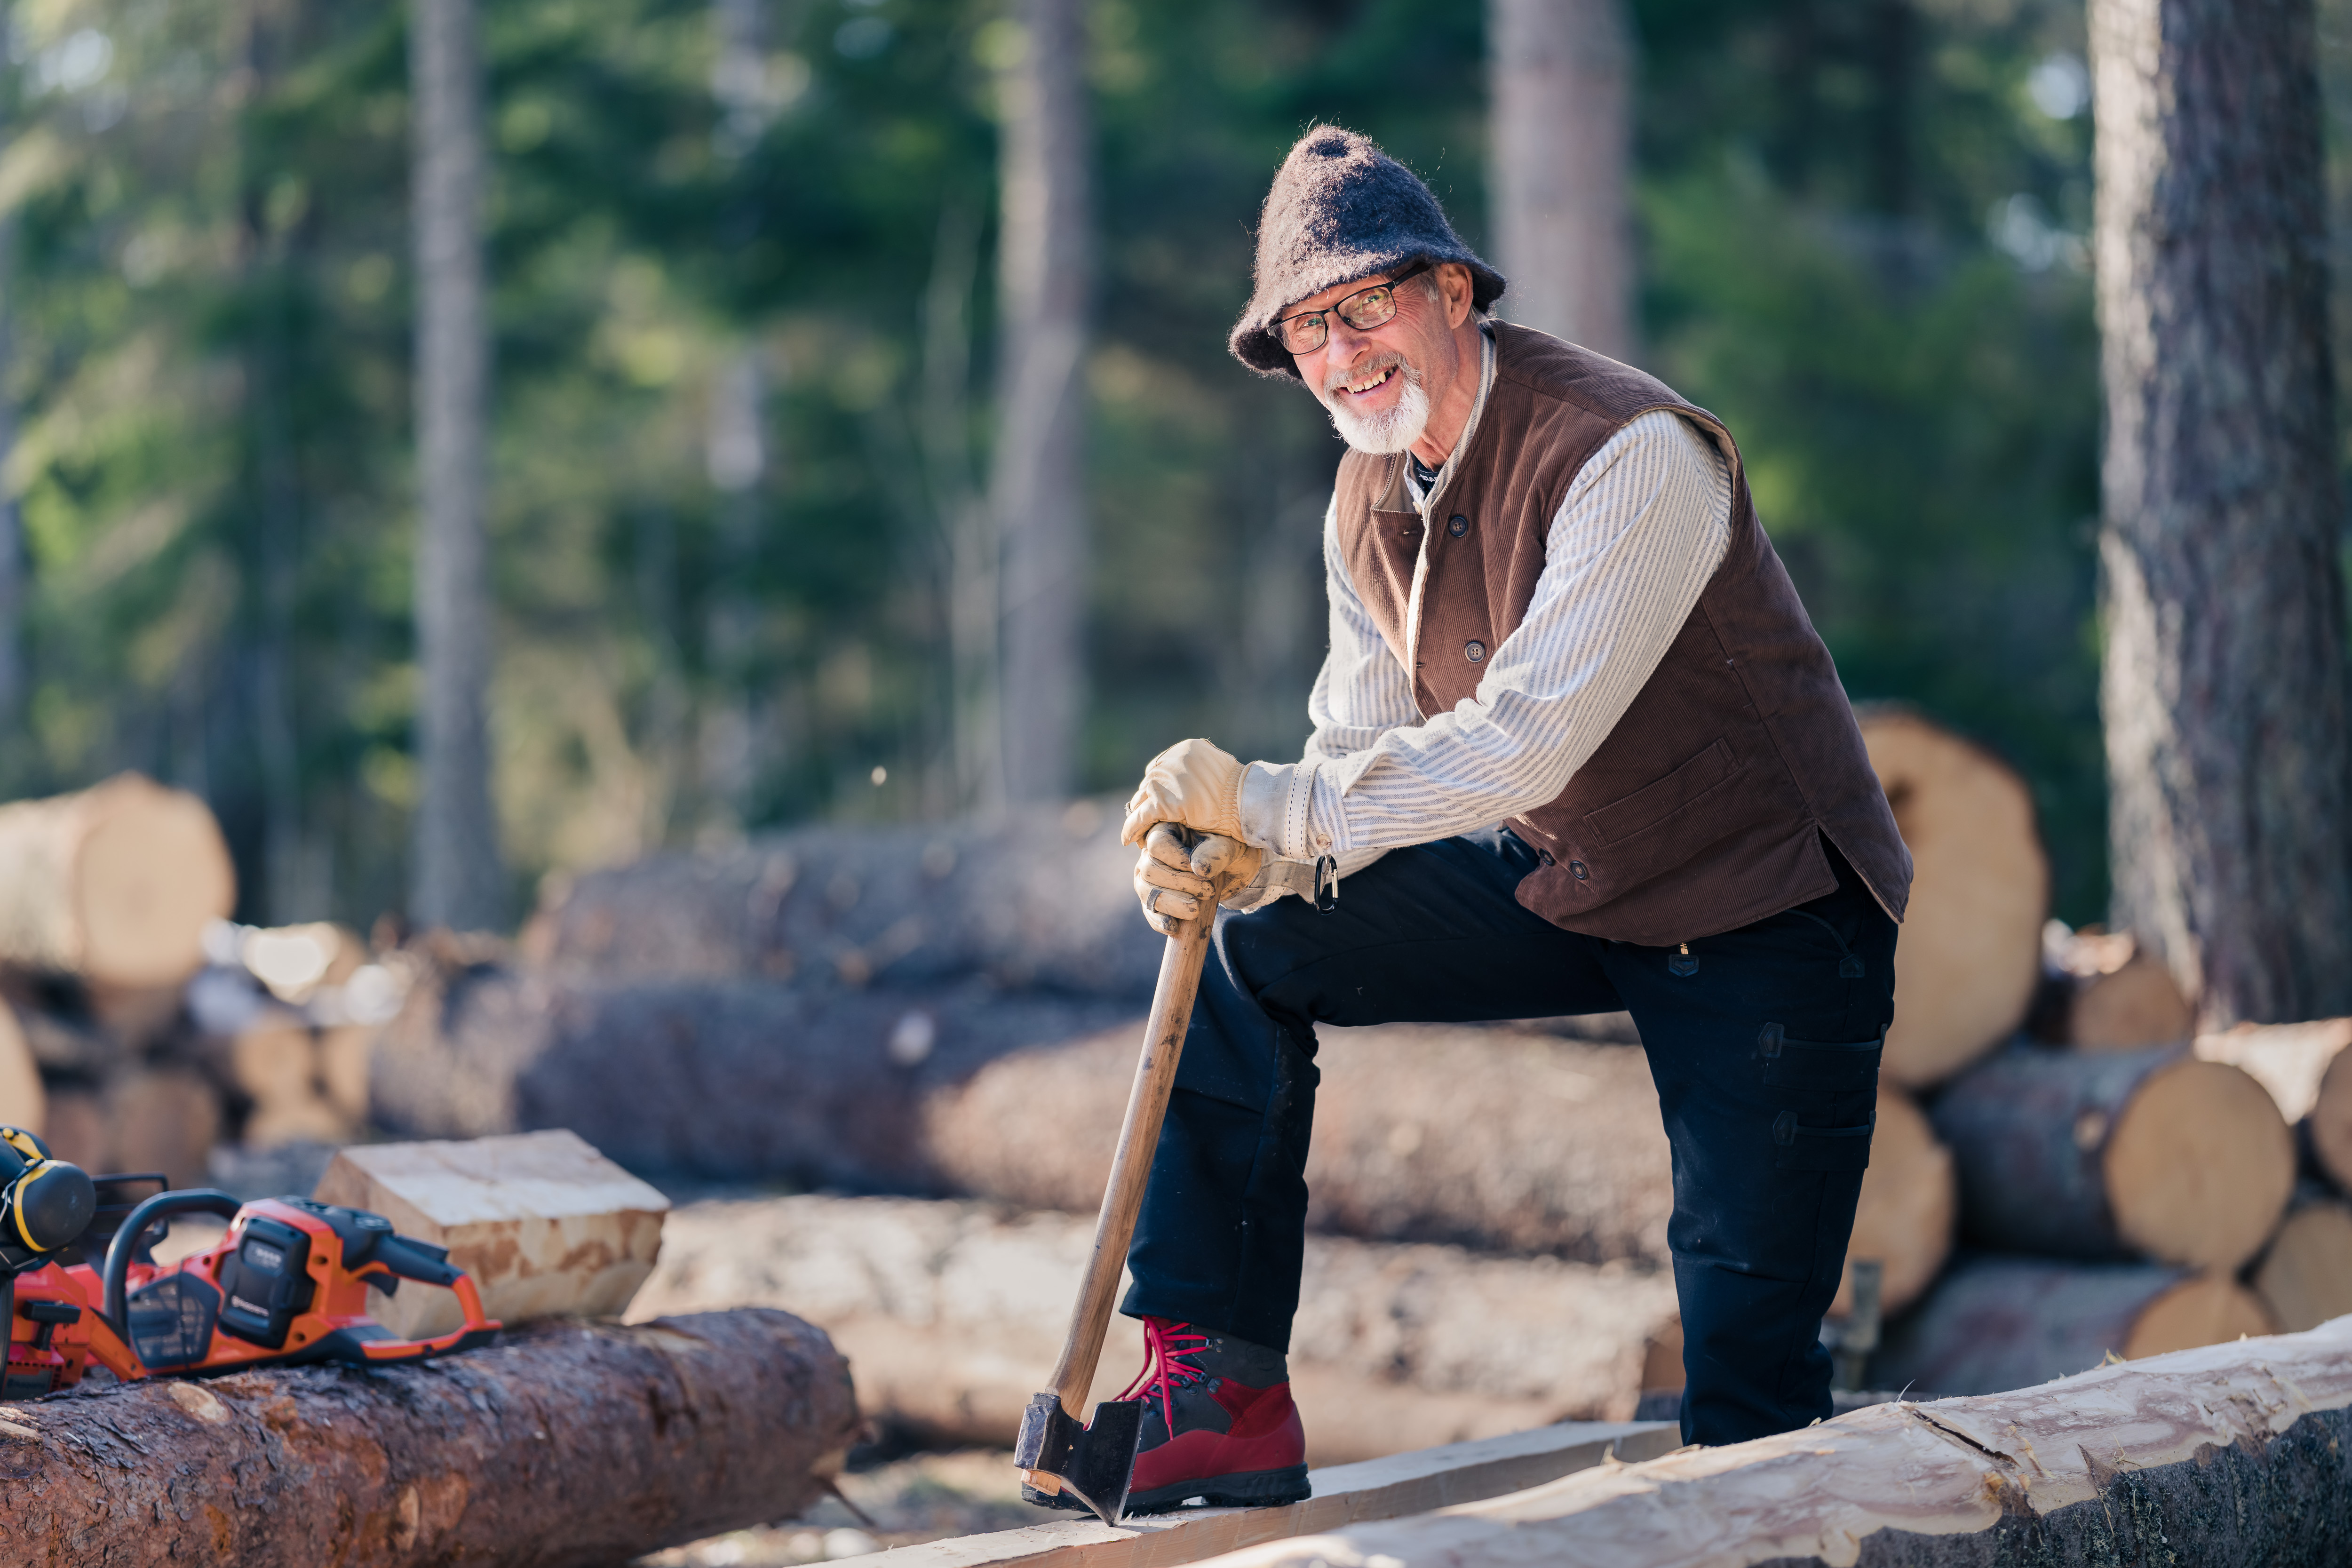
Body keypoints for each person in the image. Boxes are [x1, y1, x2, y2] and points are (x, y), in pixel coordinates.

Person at [1041, 125, 1912, 1517]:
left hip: (1766, 906)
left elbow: (1524, 739)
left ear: (1454, 292)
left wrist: (1276, 802)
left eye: (1363, 305)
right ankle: (1221, 1391)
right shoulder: (1365, 495)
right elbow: (1370, 751)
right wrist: (1242, 857)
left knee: (1749, 1406)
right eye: (1309, 330)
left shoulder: (1633, 452)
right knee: (1258, 942)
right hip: (1579, 871)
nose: (1338, 355)